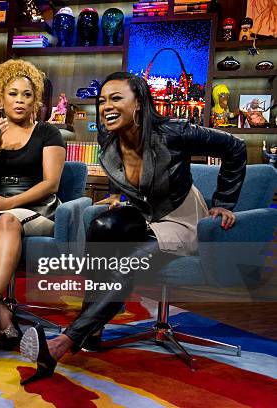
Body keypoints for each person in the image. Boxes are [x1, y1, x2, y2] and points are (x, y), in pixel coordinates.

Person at [19, 71, 246, 384]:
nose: (106, 106)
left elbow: (236, 147)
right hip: (146, 214)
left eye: (116, 99)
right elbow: (131, 176)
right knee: (101, 224)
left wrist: (224, 202)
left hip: (182, 218)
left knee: (128, 260)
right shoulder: (107, 136)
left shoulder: (173, 131)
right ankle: (94, 324)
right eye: (102, 101)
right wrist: (117, 196)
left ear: (138, 103)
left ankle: (63, 343)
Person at [0, 59, 66, 351]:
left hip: (37, 205)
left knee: (8, 220)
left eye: (27, 94)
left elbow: (51, 184)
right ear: (1, 97)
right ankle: (3, 311)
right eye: (13, 93)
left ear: (35, 99)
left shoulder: (48, 132)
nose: (19, 100)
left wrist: (10, 203)